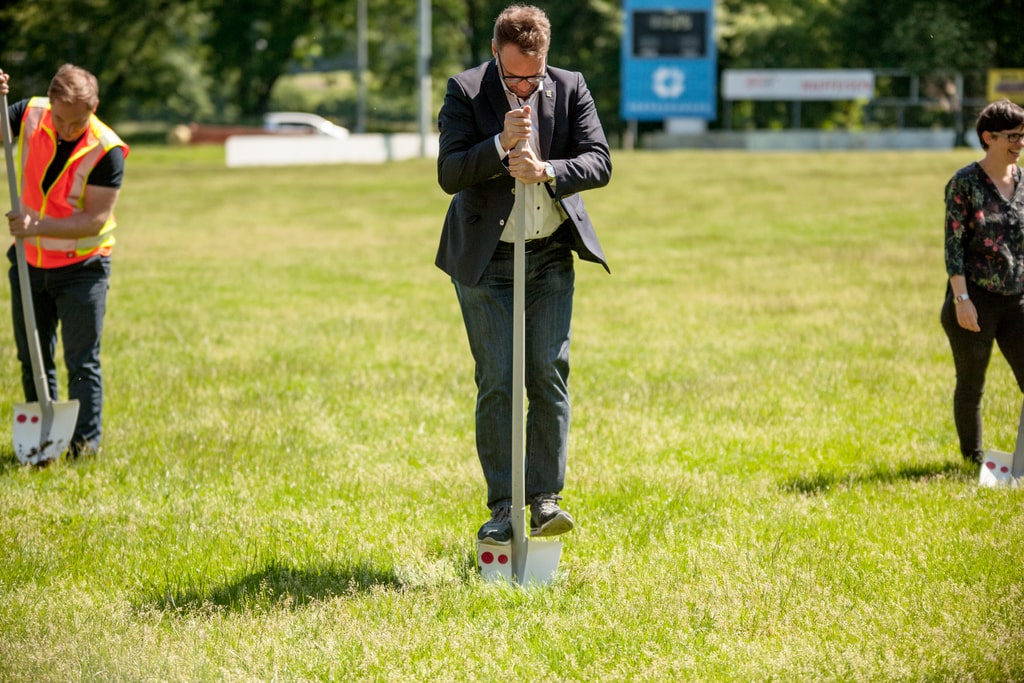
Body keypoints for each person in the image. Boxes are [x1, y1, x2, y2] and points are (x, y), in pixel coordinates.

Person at [435, 4, 611, 543]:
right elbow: (448, 172)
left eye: (535, 74)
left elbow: (599, 161)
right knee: (498, 382)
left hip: (549, 256)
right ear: (495, 55)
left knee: (547, 375)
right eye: (516, 76)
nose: (528, 85)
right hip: (486, 262)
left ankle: (545, 501)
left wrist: (549, 170)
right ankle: (503, 508)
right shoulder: (465, 91)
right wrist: (498, 146)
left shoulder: (570, 86)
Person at [1, 64, 129, 459]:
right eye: (60, 118)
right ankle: (45, 440)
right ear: (50, 101)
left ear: (95, 106)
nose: (67, 129)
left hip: (82, 268)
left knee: (81, 361)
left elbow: (93, 220)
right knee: (32, 357)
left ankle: (84, 446)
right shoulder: (28, 113)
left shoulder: (107, 149)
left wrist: (35, 226)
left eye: (78, 121)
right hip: (29, 263)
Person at [941, 99, 1024, 465]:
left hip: (1017, 299)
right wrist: (962, 301)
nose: (1020, 143)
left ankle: (1019, 461)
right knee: (972, 384)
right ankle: (973, 461)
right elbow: (953, 244)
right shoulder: (965, 183)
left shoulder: (1023, 181)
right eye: (1013, 136)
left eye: (1023, 135)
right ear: (988, 137)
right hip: (974, 297)